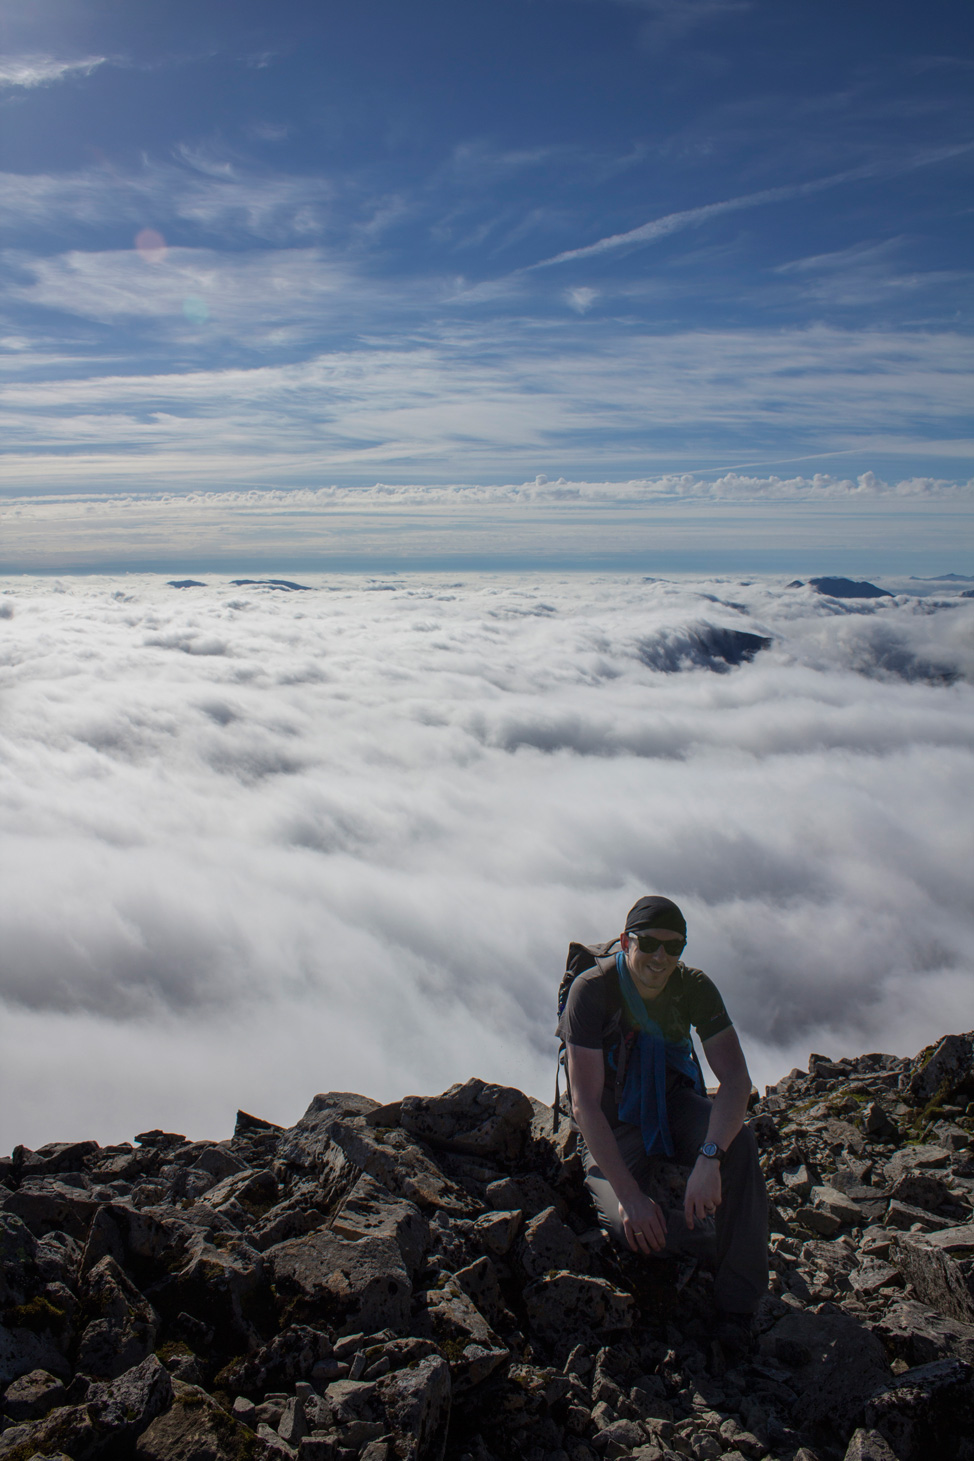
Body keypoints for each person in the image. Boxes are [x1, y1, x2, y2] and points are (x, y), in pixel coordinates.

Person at [557, 894, 768, 1333]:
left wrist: (710, 1157)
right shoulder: (591, 991)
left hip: (672, 1100)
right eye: (649, 943)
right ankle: (720, 1241)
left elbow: (736, 1081)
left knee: (740, 1145)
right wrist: (633, 1198)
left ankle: (737, 1308)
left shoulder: (693, 986)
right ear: (625, 940)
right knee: (626, 1226)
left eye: (674, 947)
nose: (660, 956)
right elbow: (586, 1104)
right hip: (613, 1119)